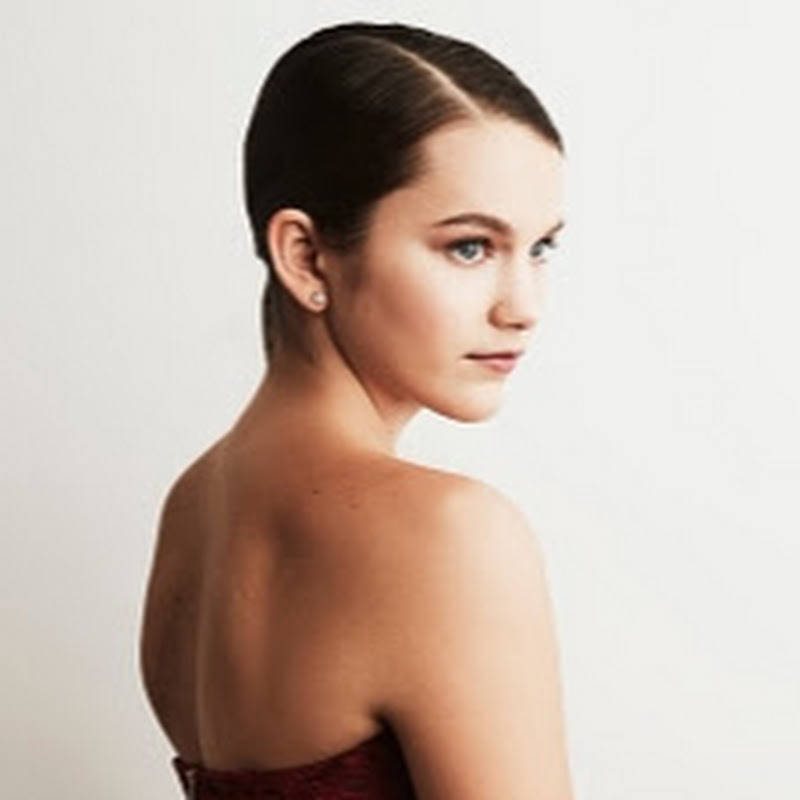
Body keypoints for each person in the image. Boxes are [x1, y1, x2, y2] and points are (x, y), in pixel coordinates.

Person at [139, 20, 573, 800]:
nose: (523, 307)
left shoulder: (196, 507)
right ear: (306, 257)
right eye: (470, 247)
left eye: (540, 248)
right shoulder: (451, 534)